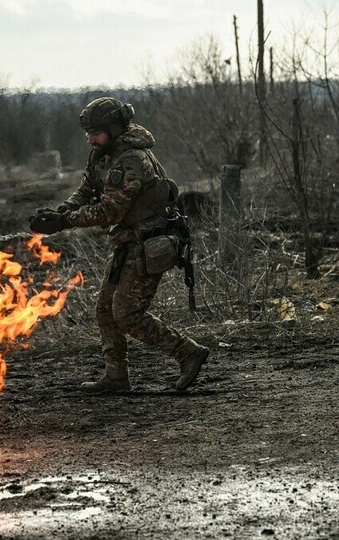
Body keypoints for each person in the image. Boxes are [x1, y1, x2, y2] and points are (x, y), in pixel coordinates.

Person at [29, 97, 209, 393]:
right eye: (87, 133)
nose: (90, 139)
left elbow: (110, 212)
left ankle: (188, 352)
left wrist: (65, 222)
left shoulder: (132, 160)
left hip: (148, 242)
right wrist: (60, 212)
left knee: (126, 313)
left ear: (113, 129)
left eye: (95, 132)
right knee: (104, 310)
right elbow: (87, 189)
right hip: (128, 241)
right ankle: (116, 378)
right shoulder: (103, 153)